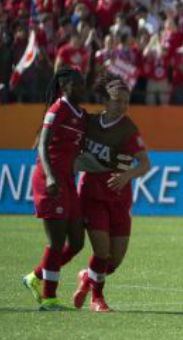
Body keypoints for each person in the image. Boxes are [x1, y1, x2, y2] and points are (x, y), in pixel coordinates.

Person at [69, 73, 150, 312]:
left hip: (119, 198)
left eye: (126, 101)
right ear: (106, 100)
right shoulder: (90, 123)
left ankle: (86, 276)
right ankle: (97, 299)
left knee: (114, 261)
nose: (123, 105)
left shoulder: (129, 129)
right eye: (118, 100)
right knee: (101, 251)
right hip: (92, 194)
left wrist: (126, 176)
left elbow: (146, 164)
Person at [22, 67, 87, 311]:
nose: (82, 87)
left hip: (68, 181)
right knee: (57, 240)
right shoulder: (57, 109)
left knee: (78, 241)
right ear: (65, 87)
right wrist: (50, 176)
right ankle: (49, 298)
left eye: (83, 83)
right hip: (50, 179)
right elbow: (42, 145)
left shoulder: (81, 114)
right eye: (77, 84)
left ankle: (36, 277)